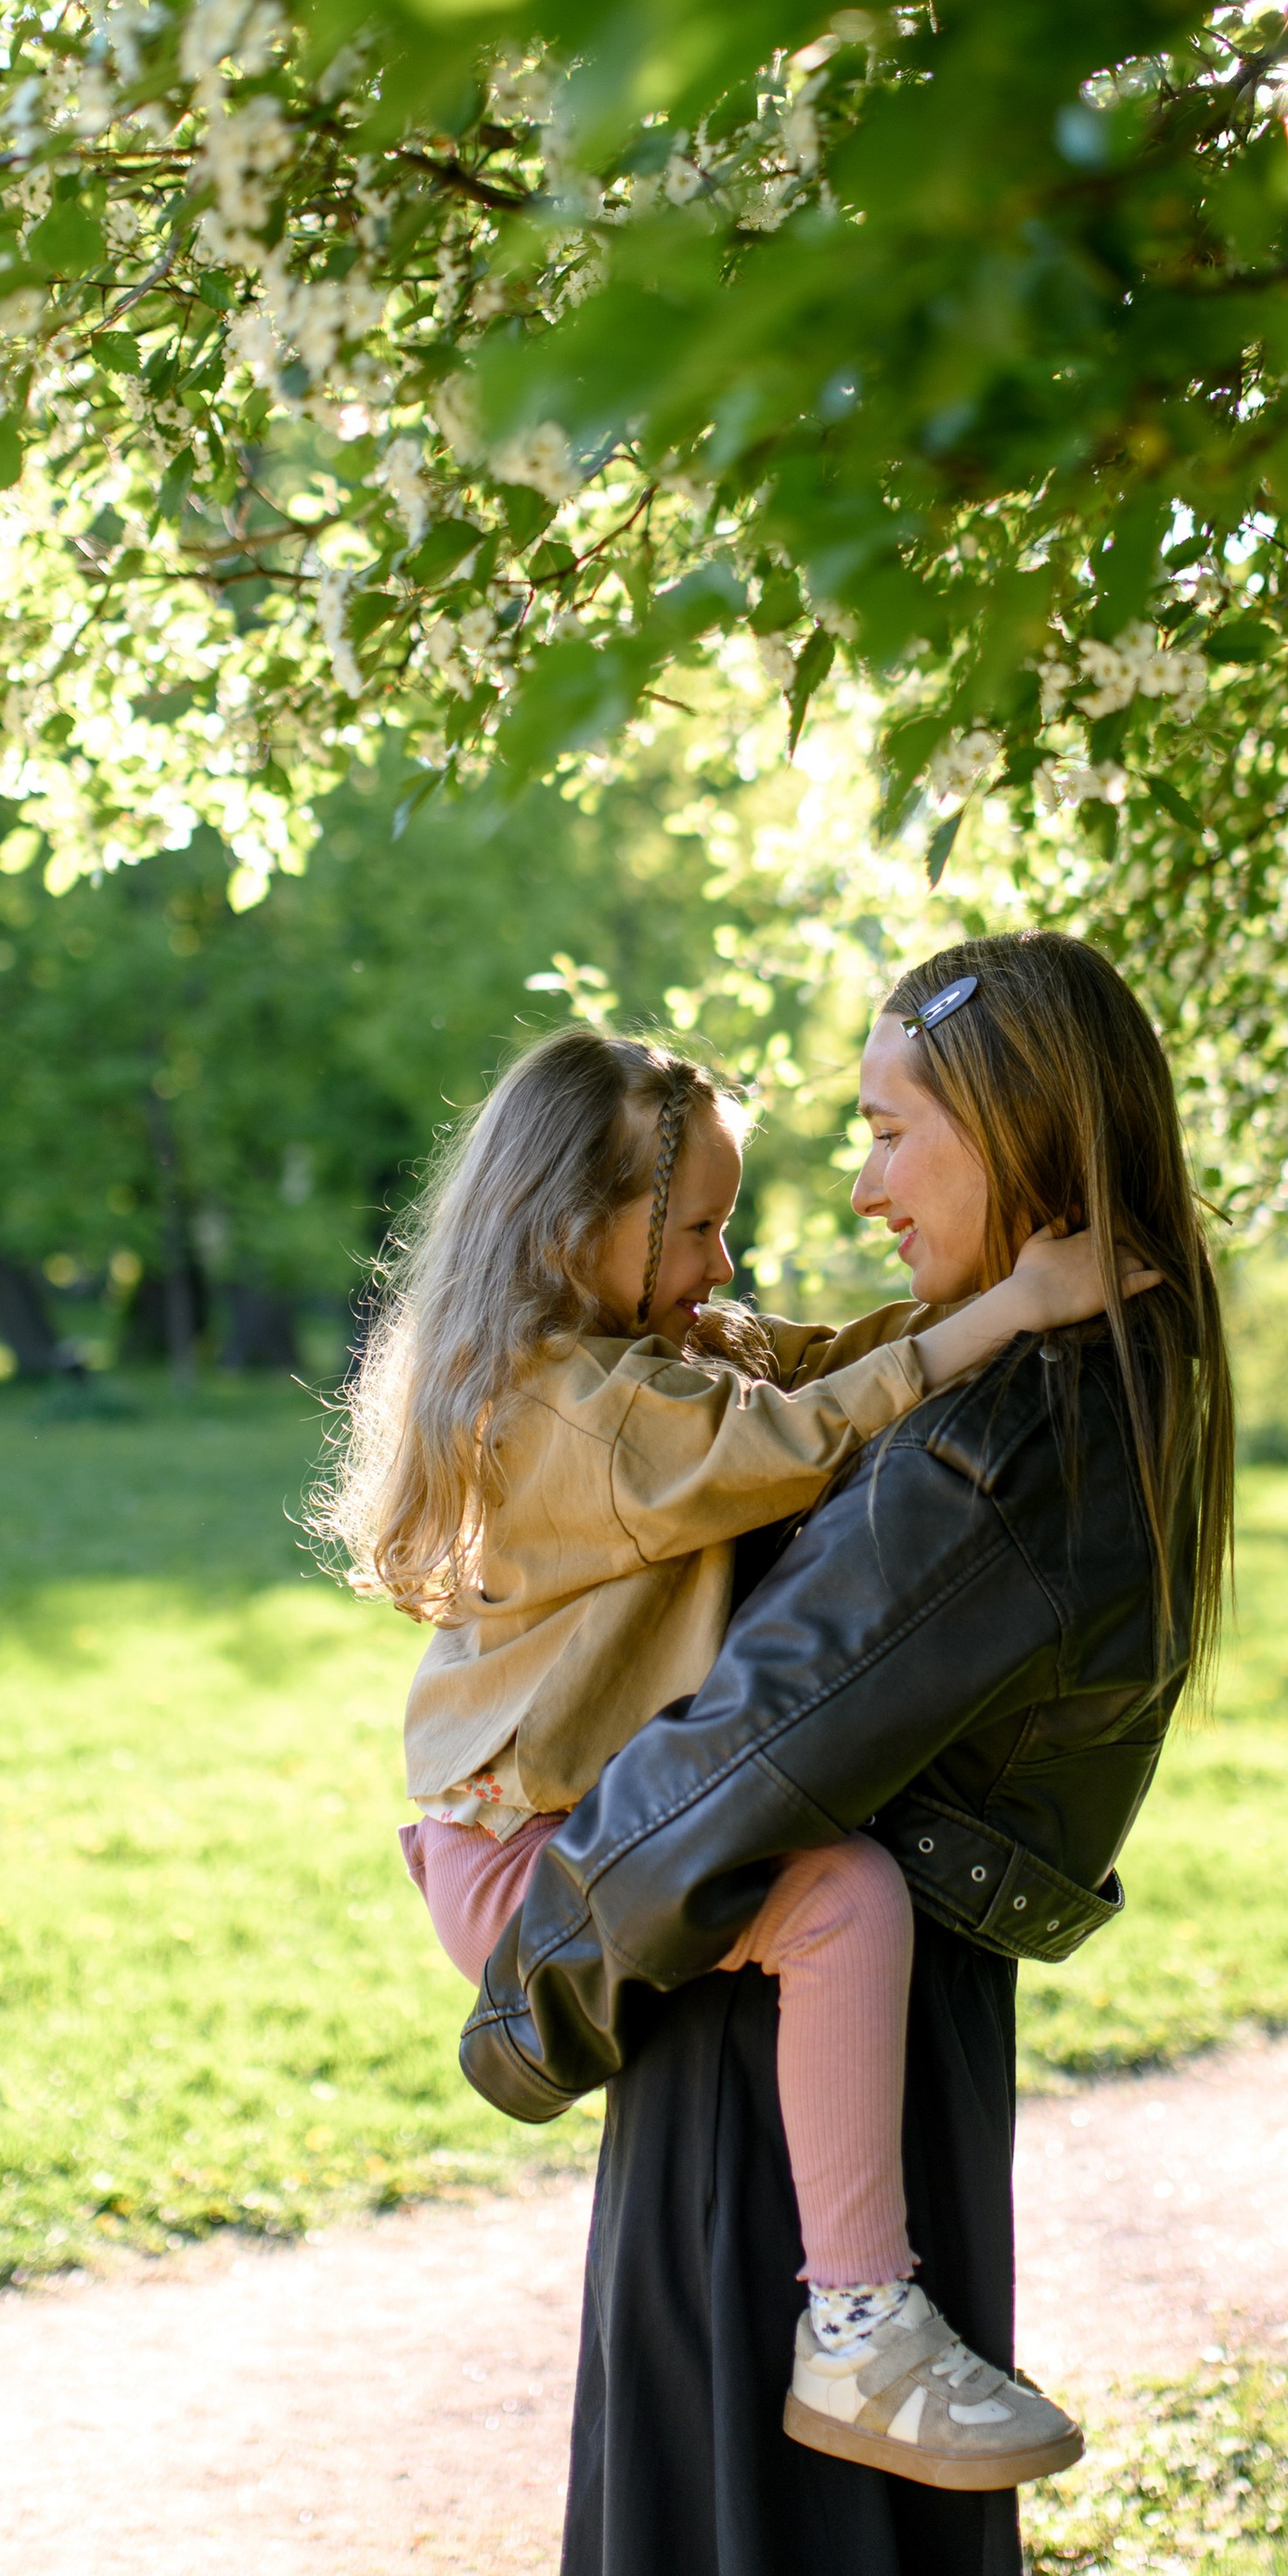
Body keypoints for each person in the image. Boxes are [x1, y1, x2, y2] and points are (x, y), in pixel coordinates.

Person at [463, 932, 1235, 2576]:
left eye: (892, 1129)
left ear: (1013, 1134)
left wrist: (529, 1990)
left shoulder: (1010, 1419)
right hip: (865, 2031)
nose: (864, 1182)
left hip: (748, 2045)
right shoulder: (1084, 1371)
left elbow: (743, 1756)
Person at [321, 1019, 1138, 2481]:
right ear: (581, 1232)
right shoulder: (558, 1411)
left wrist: (1017, 1298)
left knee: (830, 1895)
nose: (719, 1268)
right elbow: (798, 1439)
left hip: (594, 1830)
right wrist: (1014, 1306)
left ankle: (859, 2319)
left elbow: (828, 1366)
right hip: (538, 1863)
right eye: (695, 1228)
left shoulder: (651, 1355)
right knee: (840, 1902)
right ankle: (859, 2328)